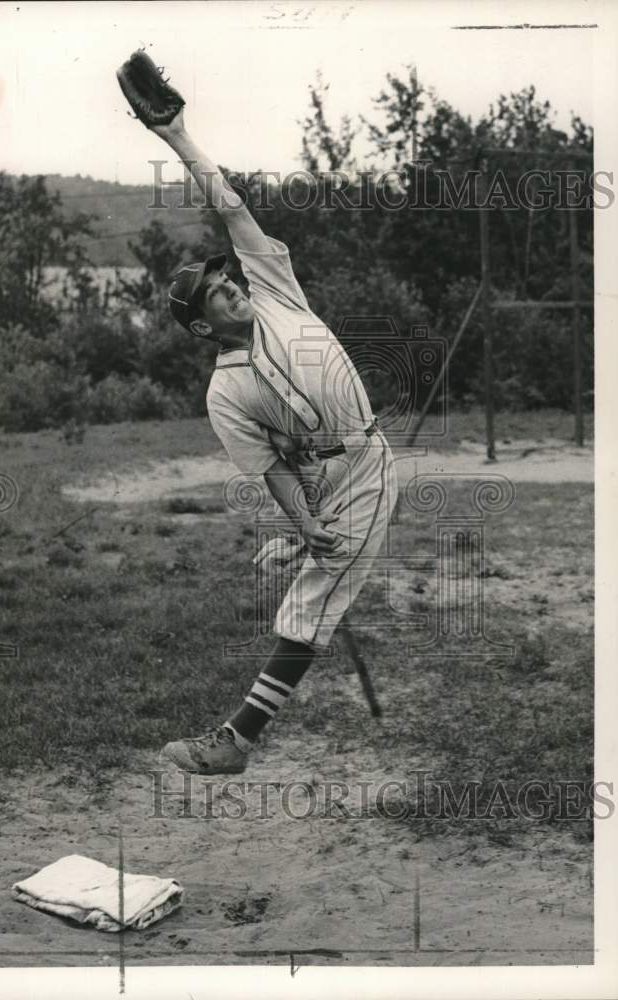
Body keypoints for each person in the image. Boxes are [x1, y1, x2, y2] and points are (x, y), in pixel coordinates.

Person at [146, 108, 398, 774]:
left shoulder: (276, 290)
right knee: (314, 579)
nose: (227, 286)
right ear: (200, 328)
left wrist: (176, 136)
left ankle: (236, 741)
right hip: (320, 476)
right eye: (212, 294)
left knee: (309, 600)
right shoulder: (223, 395)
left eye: (224, 278)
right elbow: (271, 470)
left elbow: (229, 210)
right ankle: (304, 545)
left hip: (366, 462)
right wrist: (304, 520)